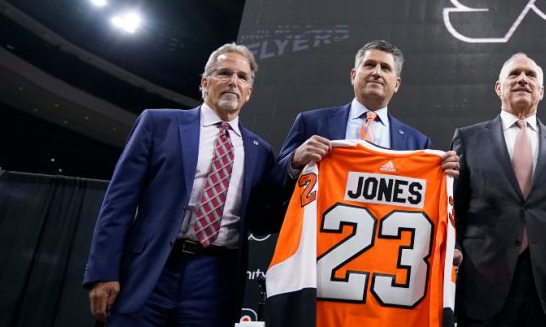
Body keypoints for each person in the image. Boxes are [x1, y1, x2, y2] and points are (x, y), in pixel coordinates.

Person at [83, 43, 281, 326]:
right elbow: (119, 203)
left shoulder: (261, 150)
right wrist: (103, 272)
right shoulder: (158, 123)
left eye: (242, 77)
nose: (233, 82)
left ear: (249, 91)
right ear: (205, 81)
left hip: (215, 279)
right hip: (150, 269)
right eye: (224, 73)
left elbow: (262, 221)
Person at [451, 53, 546, 327]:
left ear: (541, 92)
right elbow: (453, 210)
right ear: (499, 87)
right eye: (514, 74)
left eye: (531, 75)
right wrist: (455, 249)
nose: (522, 79)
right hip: (482, 286)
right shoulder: (468, 138)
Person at [278, 39, 458, 181]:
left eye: (386, 68)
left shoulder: (417, 143)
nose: (377, 73)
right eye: (370, 65)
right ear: (353, 76)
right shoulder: (310, 122)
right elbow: (269, 186)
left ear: (396, 84)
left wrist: (444, 175)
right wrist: (294, 161)